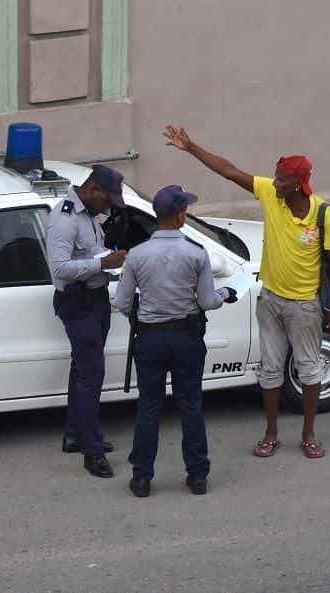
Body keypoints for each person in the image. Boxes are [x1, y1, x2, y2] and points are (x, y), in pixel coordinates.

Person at [163, 125, 330, 460]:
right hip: (271, 300)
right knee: (271, 369)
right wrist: (191, 147)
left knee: (309, 368)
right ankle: (271, 434)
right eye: (275, 178)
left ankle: (308, 435)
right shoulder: (270, 196)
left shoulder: (323, 214)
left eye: (281, 180)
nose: (273, 183)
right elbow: (230, 171)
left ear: (298, 184)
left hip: (304, 306)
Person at [114, 185, 239, 497]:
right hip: (186, 337)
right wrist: (225, 295)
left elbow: (122, 301)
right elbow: (208, 301)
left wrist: (141, 314)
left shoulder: (138, 255)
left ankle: (142, 478)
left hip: (150, 339)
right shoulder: (196, 254)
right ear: (181, 214)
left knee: (148, 408)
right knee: (191, 406)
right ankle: (197, 476)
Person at [46, 164, 128, 478]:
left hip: (93, 299)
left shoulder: (88, 216)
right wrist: (103, 263)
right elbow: (60, 268)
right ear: (93, 190)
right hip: (78, 302)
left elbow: (90, 252)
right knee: (91, 374)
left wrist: (110, 258)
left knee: (81, 369)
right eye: (107, 201)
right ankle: (91, 451)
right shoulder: (65, 219)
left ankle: (74, 435)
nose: (108, 207)